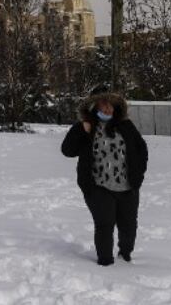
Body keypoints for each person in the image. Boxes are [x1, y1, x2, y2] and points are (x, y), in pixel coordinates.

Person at [61, 91, 148, 266]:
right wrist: (81, 130)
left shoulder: (126, 125)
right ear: (95, 106)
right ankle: (105, 262)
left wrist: (138, 175)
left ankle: (125, 255)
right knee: (104, 224)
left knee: (128, 226)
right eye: (104, 104)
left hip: (127, 186)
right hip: (98, 186)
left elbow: (141, 150)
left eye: (111, 104)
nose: (108, 108)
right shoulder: (86, 126)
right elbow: (67, 151)